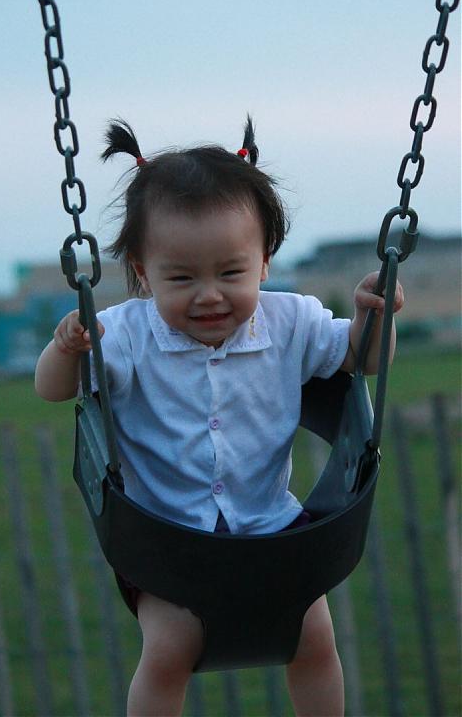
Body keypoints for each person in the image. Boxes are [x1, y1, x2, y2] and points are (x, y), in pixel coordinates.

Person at [35, 116, 404, 717]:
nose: (209, 294)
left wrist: (374, 318)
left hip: (273, 528)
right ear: (142, 271)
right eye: (181, 277)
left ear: (263, 262)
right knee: (169, 650)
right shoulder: (121, 334)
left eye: (231, 273)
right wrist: (65, 350)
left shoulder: (291, 320)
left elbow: (360, 359)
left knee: (314, 639)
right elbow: (53, 391)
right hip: (165, 541)